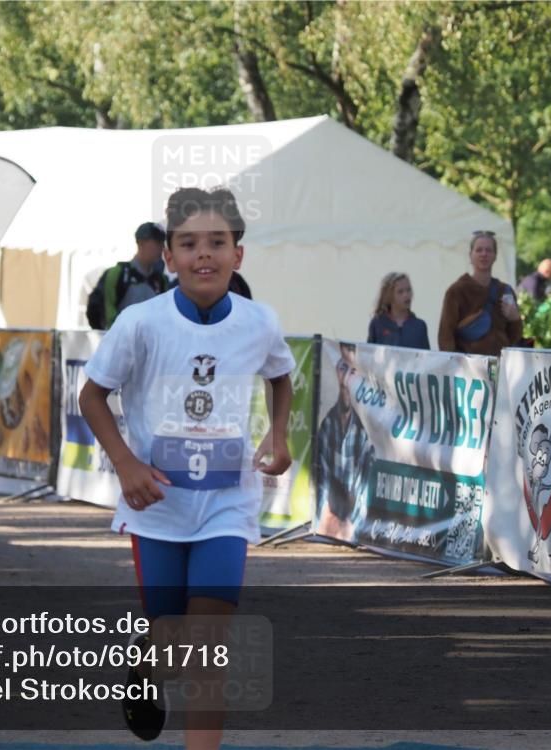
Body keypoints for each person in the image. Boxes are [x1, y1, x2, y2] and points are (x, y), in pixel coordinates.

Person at [79, 187, 294, 748]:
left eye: (217, 243)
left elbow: (280, 375)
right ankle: (147, 672)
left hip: (227, 502)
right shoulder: (140, 323)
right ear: (168, 256)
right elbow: (92, 396)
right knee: (171, 642)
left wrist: (277, 431)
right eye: (189, 243)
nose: (205, 254)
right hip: (159, 508)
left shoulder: (260, 322)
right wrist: (125, 464)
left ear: (238, 255)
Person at [315, 343, 375, 539]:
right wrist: (324, 516)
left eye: (353, 370)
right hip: (328, 524)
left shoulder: (365, 433)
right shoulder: (326, 426)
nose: (347, 378)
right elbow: (320, 480)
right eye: (343, 368)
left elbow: (365, 491)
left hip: (350, 527)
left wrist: (352, 525)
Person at [438, 231, 522, 355]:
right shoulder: (456, 291)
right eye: (479, 250)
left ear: (495, 256)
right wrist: (457, 366)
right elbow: (445, 337)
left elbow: (514, 339)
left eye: (489, 250)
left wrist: (515, 319)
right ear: (471, 255)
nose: (484, 254)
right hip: (469, 369)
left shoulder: (505, 291)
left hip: (498, 366)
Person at [86, 222, 169, 329]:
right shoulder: (117, 274)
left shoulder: (161, 280)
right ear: (141, 243)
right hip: (122, 342)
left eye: (162, 243)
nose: (161, 248)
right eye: (156, 242)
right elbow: (107, 314)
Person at [366, 272, 430, 349]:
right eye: (400, 292)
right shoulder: (377, 323)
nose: (406, 295)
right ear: (389, 296)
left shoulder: (420, 326)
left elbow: (426, 358)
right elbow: (369, 355)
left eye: (408, 290)